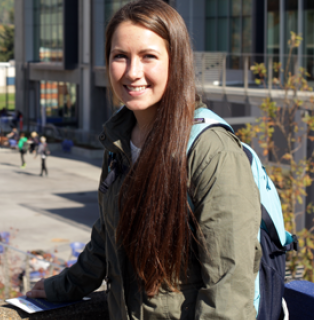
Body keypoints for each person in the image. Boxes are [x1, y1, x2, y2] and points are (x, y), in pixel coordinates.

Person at [27, 1, 261, 320]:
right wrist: (67, 285)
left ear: (175, 62)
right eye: (120, 56)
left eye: (148, 56)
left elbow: (229, 288)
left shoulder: (211, 150)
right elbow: (110, 232)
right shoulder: (119, 139)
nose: (132, 72)